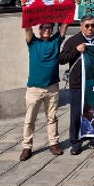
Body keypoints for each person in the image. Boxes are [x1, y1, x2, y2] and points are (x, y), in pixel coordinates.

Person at [20, 21, 68, 161]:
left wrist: (70, 5)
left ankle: (54, 143)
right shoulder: (33, 42)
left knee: (52, 117)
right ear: (40, 29)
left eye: (50, 28)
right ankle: (27, 147)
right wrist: (25, 9)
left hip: (52, 88)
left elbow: (64, 27)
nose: (48, 30)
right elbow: (27, 28)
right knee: (30, 119)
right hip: (34, 88)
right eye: (45, 28)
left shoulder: (55, 41)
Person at [59, 14, 94, 155]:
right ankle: (75, 142)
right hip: (77, 83)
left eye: (93, 25)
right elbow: (62, 59)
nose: (90, 28)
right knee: (76, 114)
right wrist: (76, 50)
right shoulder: (73, 40)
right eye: (87, 26)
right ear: (81, 26)